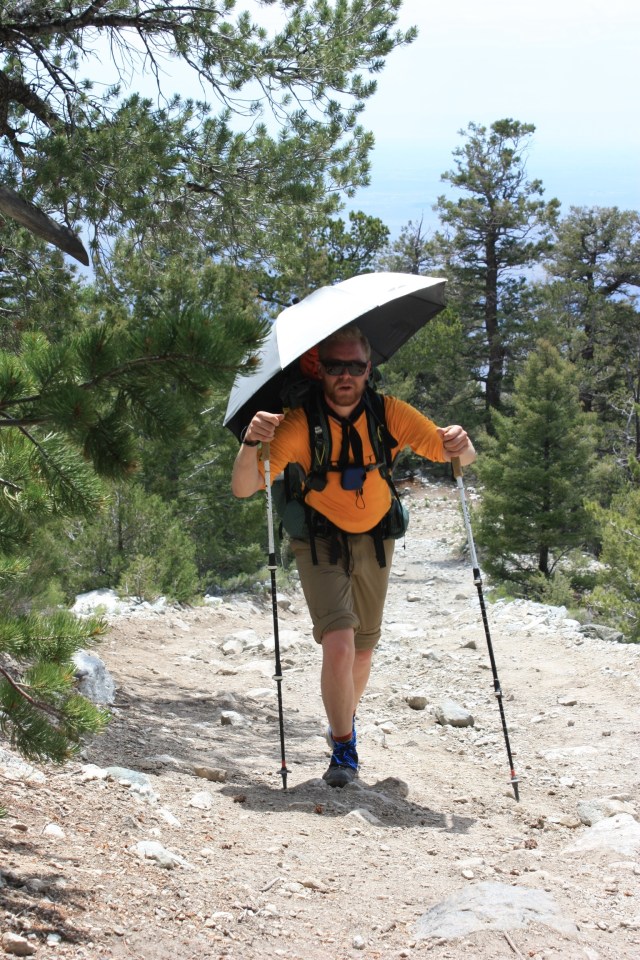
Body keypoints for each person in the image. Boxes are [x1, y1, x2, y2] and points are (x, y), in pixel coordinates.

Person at [231, 325, 476, 787]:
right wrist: (250, 442)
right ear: (318, 369)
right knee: (339, 644)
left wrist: (464, 443)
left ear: (369, 368)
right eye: (335, 366)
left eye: (355, 366)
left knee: (362, 653)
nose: (345, 375)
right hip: (319, 538)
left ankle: (339, 720)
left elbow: (457, 458)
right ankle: (344, 748)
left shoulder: (390, 414)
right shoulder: (299, 424)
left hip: (375, 538)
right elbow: (245, 487)